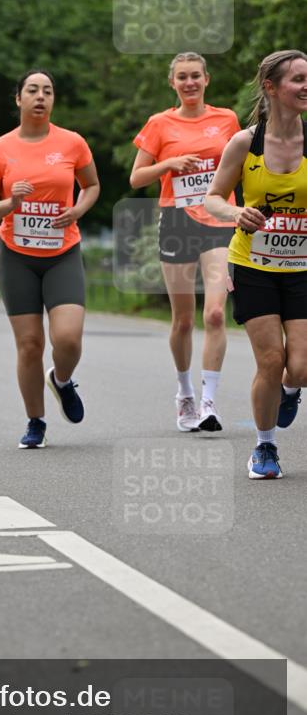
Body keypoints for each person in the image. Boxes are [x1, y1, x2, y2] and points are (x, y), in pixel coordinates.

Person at [0, 69, 100, 448]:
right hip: (17, 256)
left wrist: (77, 211)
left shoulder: (72, 143)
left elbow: (92, 186)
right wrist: (11, 203)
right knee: (29, 344)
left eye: (47, 91)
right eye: (32, 90)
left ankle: (61, 379)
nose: (40, 97)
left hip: (62, 252)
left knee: (67, 339)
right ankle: (36, 421)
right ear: (19, 99)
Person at [205, 49, 307, 479]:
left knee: (299, 366)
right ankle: (265, 448)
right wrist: (235, 213)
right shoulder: (246, 142)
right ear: (271, 88)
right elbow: (212, 198)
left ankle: (289, 390)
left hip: (301, 267)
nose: (306, 87)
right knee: (270, 359)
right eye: (298, 79)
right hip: (253, 265)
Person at [130, 52, 241, 432]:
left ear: (207, 80)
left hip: (219, 220)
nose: (190, 83)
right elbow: (136, 178)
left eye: (196, 76)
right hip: (177, 220)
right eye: (182, 77)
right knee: (182, 319)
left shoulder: (226, 119)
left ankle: (210, 403)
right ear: (173, 83)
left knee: (213, 313)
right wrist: (168, 165)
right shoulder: (159, 124)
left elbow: (242, 164)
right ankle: (185, 394)